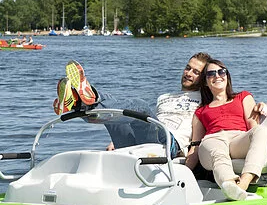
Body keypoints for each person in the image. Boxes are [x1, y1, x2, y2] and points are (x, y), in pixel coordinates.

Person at [53, 53, 211, 161]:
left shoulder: (204, 101)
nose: (188, 73)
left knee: (139, 107)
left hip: (169, 145)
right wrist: (116, 139)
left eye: (195, 72)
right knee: (113, 111)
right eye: (188, 68)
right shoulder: (164, 98)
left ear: (203, 78)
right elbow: (146, 125)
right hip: (147, 138)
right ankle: (76, 104)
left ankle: (87, 97)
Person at [188, 58, 267, 201]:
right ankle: (229, 184)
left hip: (237, 140)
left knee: (263, 131)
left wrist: (262, 146)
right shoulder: (201, 111)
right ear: (206, 82)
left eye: (221, 72)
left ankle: (242, 185)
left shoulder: (243, 97)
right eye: (211, 74)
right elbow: (196, 146)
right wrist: (183, 172)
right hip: (212, 141)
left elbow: (254, 129)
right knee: (216, 147)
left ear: (227, 76)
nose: (217, 76)